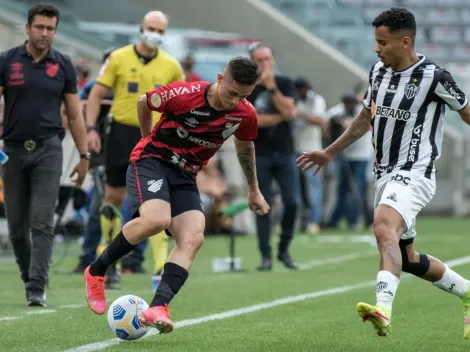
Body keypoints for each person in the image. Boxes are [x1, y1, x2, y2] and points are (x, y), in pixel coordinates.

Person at [297, 8, 470, 338]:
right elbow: (366, 117)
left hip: (415, 172)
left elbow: (467, 113)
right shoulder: (378, 71)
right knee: (408, 258)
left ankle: (383, 309)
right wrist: (329, 152)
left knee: (382, 226)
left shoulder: (435, 77)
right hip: (385, 175)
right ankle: (467, 293)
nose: (377, 48)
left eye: (383, 42)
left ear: (405, 41)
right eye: (375, 42)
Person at [84, 57, 270, 334]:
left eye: (243, 96)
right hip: (153, 161)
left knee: (193, 237)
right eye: (232, 93)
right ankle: (96, 271)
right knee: (156, 220)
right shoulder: (185, 95)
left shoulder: (245, 114)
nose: (235, 101)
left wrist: (254, 189)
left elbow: (245, 147)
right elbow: (144, 103)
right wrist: (147, 137)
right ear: (220, 78)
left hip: (185, 174)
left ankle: (159, 306)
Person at [85, 11, 184, 284]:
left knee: (159, 200)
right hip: (121, 133)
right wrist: (91, 128)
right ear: (142, 28)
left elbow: (185, 102)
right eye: (151, 28)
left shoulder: (172, 66)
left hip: (156, 136)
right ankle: (109, 258)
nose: (155, 34)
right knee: (113, 196)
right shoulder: (117, 57)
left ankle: (160, 265)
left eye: (161, 31)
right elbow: (96, 93)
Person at [0, 3, 89, 306]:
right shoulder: (6, 61)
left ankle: (37, 286)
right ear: (27, 28)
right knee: (16, 229)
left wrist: (84, 155)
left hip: (48, 150)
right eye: (39, 27)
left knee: (42, 221)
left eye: (50, 28)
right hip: (11, 150)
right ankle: (29, 274)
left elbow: (76, 116)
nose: (44, 33)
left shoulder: (63, 65)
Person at [247, 43, 298, 271]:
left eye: (267, 59)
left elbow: (290, 111)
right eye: (259, 60)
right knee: (262, 205)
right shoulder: (247, 88)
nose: (264, 64)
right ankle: (265, 255)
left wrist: (272, 89)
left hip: (285, 152)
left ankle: (284, 249)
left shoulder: (284, 83)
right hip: (259, 154)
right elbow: (252, 121)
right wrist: (281, 116)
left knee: (293, 202)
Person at [325, 92, 373, 230]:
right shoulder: (337, 111)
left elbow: (361, 128)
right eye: (346, 103)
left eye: (351, 103)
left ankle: (354, 220)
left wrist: (344, 125)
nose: (348, 106)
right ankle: (336, 219)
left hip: (361, 155)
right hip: (344, 154)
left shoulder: (362, 111)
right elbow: (326, 126)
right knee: (342, 188)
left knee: (358, 188)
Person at [292, 76, 327, 234]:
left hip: (313, 151)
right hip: (295, 149)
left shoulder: (317, 100)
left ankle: (314, 221)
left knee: (314, 189)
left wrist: (301, 114)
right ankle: (298, 221)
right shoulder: (294, 100)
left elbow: (320, 121)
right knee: (296, 190)